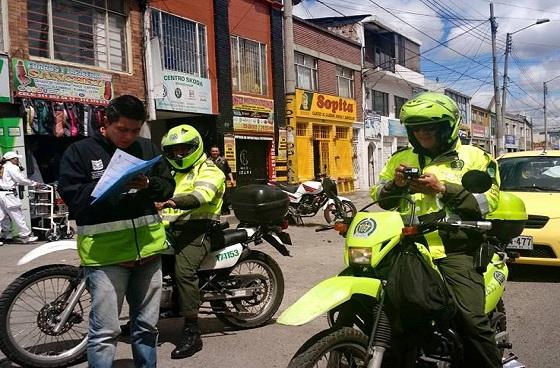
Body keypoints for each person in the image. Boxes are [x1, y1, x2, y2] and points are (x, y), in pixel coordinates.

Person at [370, 92, 502, 368]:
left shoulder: (475, 157)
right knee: (381, 305)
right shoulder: (401, 158)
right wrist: (396, 185)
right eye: (416, 128)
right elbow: (380, 196)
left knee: (471, 321)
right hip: (406, 247)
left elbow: (488, 201)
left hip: (454, 249)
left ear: (448, 126)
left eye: (430, 126)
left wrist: (443, 189)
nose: (422, 133)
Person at [57, 95, 175, 368]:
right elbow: (74, 198)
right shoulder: (80, 152)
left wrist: (148, 185)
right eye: (122, 129)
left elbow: (168, 186)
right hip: (106, 257)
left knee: (146, 328)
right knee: (105, 333)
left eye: (135, 130)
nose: (129, 136)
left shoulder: (147, 148)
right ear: (106, 123)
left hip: (148, 253)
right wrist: (113, 186)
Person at [156, 124, 225, 360]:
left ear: (195, 148)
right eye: (174, 151)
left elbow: (200, 196)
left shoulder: (210, 170)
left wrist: (171, 203)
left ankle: (192, 331)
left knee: (183, 271)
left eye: (184, 149)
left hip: (201, 230)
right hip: (173, 230)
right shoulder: (173, 173)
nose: (179, 155)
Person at [0, 151, 39, 243]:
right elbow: (21, 179)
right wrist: (34, 183)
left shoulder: (2, 167)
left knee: (1, 216)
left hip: (1, 193)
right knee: (17, 215)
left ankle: (7, 235)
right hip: (9, 195)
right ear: (11, 159)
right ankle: (26, 235)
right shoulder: (12, 167)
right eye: (16, 158)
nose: (18, 160)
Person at [209, 145, 235, 214]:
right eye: (213, 151)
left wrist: (232, 180)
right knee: (213, 196)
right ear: (210, 152)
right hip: (211, 182)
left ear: (219, 152)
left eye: (216, 151)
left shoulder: (223, 160)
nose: (215, 152)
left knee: (224, 196)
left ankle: (225, 210)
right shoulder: (207, 161)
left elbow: (228, 171)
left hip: (222, 182)